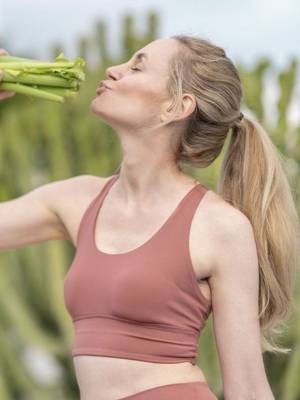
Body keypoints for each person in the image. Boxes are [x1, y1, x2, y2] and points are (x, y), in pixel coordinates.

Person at [0, 35, 298, 400]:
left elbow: (248, 388)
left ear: (176, 106)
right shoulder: (76, 199)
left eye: (136, 66)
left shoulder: (220, 227)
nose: (113, 70)